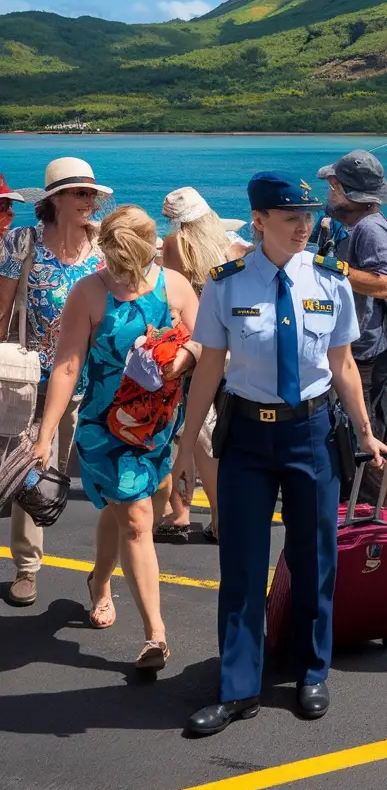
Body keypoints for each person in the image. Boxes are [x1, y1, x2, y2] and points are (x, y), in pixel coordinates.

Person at [172, 171, 387, 737]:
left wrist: (365, 432)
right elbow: (209, 368)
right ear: (259, 221)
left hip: (312, 432)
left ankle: (311, 671)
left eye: (308, 215)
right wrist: (185, 451)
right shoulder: (227, 284)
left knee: (315, 558)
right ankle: (237, 686)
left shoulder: (333, 281)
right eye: (290, 216)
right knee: (241, 565)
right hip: (245, 436)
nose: (304, 225)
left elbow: (342, 365)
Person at [33, 205, 199, 670]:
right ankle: (155, 636)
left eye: (132, 262)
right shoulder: (88, 293)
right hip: (106, 430)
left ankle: (98, 583)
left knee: (128, 508)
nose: (123, 274)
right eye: (115, 262)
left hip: (161, 426)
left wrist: (185, 356)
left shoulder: (176, 286)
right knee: (137, 519)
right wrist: (46, 437)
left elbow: (206, 339)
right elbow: (68, 366)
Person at [0, 157, 109, 607]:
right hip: (32, 381)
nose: (89, 201)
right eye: (80, 193)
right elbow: (2, 309)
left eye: (91, 194)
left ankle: (105, 571)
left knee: (78, 473)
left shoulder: (103, 247)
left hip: (92, 380)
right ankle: (27, 567)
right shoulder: (22, 243)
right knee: (33, 470)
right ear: (55, 200)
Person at [155, 187, 250, 543]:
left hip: (192, 347)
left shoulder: (175, 245)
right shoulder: (229, 244)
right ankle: (199, 514)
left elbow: (172, 297)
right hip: (229, 347)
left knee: (193, 436)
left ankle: (201, 514)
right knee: (207, 436)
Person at [317, 150, 387, 507]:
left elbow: (385, 284)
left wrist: (333, 268)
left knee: (371, 444)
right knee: (370, 436)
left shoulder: (370, 228)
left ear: (348, 189)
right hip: (359, 350)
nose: (329, 190)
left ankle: (380, 519)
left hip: (364, 356)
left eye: (333, 184)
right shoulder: (351, 223)